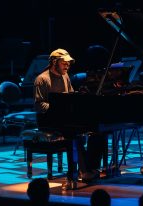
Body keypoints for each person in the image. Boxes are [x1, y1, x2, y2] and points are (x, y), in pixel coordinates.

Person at [34, 48, 102, 188]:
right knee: (73, 134)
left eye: (68, 63)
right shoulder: (42, 79)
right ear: (54, 62)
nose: (67, 66)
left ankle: (88, 168)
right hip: (48, 120)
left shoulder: (65, 76)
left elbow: (70, 95)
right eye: (64, 63)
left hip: (65, 118)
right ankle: (76, 174)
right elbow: (39, 105)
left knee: (97, 130)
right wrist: (57, 109)